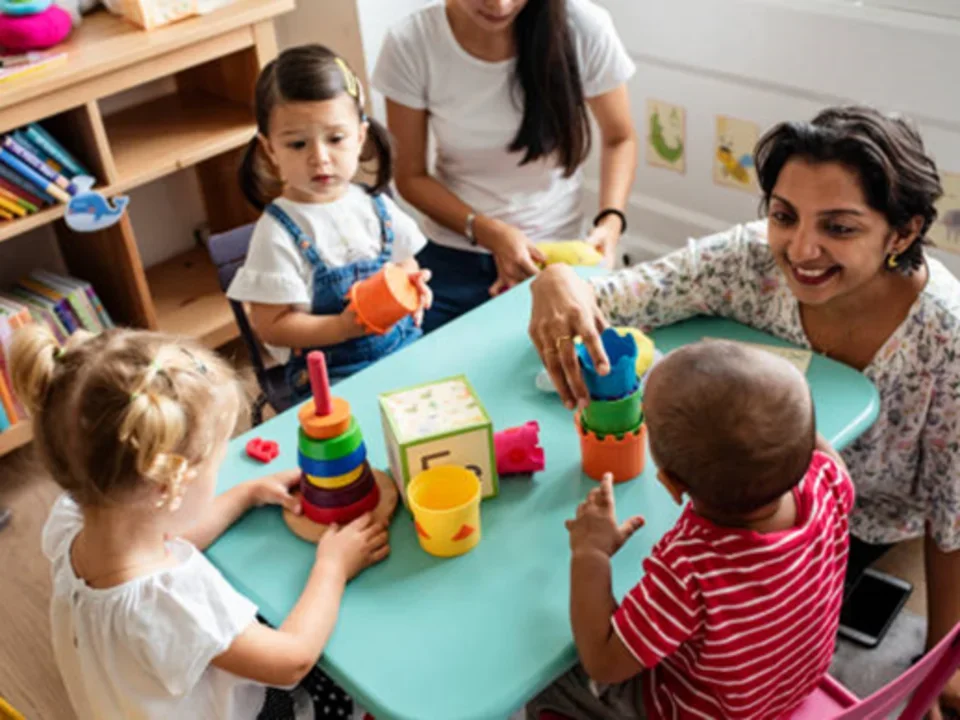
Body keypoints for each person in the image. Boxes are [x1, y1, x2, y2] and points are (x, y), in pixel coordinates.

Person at [528, 105, 960, 716]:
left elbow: (953, 515)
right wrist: (557, 282)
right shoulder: (748, 262)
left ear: (903, 233)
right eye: (784, 216)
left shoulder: (947, 335)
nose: (801, 249)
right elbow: (614, 296)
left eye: (839, 227)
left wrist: (944, 664)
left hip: (851, 528)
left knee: (574, 635)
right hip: (802, 519)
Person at [10, 325, 389, 719]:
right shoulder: (175, 602)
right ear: (167, 488)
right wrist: (333, 567)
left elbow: (166, 533)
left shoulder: (71, 522)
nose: (221, 473)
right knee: (343, 689)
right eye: (215, 465)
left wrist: (245, 494)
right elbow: (292, 660)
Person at [528, 341, 854, 720]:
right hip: (786, 689)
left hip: (703, 712)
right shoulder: (827, 482)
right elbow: (820, 453)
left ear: (669, 483)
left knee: (552, 680)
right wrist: (783, 423)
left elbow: (603, 661)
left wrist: (591, 554)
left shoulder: (690, 568)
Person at [373, 0, 638, 332]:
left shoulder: (584, 28)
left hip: (557, 255)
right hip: (453, 254)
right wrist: (490, 232)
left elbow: (620, 138)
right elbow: (410, 176)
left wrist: (611, 221)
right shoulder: (412, 42)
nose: (500, 5)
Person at [229, 45, 432, 395]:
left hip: (403, 350)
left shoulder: (375, 206)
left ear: (360, 137)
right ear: (269, 150)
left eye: (335, 139)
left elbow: (404, 263)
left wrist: (412, 287)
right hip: (331, 378)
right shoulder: (277, 232)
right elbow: (272, 327)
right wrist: (342, 327)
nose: (319, 158)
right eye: (297, 144)